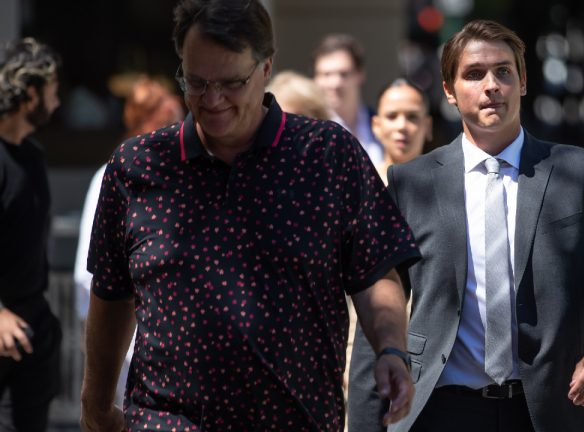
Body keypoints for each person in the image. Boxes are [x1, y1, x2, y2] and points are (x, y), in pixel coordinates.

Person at [79, 1, 419, 431]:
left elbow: (374, 272)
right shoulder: (138, 165)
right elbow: (111, 294)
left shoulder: (327, 155)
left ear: (265, 68)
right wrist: (95, 404)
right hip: (168, 420)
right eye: (196, 82)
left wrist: (392, 349)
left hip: (296, 419)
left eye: (231, 83)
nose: (212, 99)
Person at [348, 19, 584, 432]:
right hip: (440, 409)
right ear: (449, 91)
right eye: (474, 74)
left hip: (555, 407)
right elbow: (379, 302)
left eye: (503, 72)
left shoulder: (578, 173)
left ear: (522, 82)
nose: (491, 85)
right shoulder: (412, 183)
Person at [73, 76, 184, 403]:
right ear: (150, 122)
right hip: (129, 345)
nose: (177, 132)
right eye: (170, 123)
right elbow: (88, 276)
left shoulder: (181, 173)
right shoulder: (115, 176)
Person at [0, 37, 62, 432]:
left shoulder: (34, 156)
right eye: (53, 90)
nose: (57, 102)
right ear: (30, 93)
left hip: (32, 330)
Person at [313, 34, 383, 165]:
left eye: (343, 74)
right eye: (326, 74)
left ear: (360, 74)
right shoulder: (310, 132)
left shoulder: (382, 124)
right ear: (315, 79)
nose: (335, 83)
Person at [371, 79, 432, 183]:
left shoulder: (445, 183)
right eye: (392, 116)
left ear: (428, 126)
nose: (402, 126)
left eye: (412, 117)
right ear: (376, 126)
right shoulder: (362, 185)